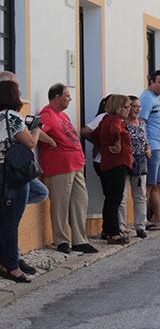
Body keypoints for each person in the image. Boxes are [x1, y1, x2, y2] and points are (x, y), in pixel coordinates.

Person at [39, 83, 97, 254]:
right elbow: (35, 129)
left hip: (75, 164)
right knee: (60, 204)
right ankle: (62, 240)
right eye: (67, 96)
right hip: (59, 166)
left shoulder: (62, 115)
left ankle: (79, 240)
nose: (70, 99)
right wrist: (50, 141)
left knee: (80, 201)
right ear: (57, 98)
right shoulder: (47, 114)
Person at [0, 80, 43, 282]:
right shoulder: (13, 117)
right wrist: (36, 128)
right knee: (10, 222)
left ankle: (6, 261)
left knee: (6, 219)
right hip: (13, 172)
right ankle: (11, 266)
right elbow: (31, 142)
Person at [93, 95, 133, 245]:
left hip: (107, 163)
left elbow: (95, 134)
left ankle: (107, 230)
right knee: (115, 199)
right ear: (117, 106)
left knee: (110, 198)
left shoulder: (105, 119)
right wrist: (117, 143)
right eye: (125, 107)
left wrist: (99, 146)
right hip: (117, 163)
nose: (128, 110)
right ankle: (113, 232)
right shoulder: (116, 120)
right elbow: (116, 131)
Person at [139, 70, 160, 228]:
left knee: (156, 184)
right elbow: (141, 122)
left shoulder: (154, 99)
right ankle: (143, 219)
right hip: (152, 146)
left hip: (158, 146)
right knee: (148, 185)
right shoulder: (146, 98)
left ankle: (158, 218)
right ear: (151, 82)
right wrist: (147, 145)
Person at [120, 96, 149, 239]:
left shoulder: (142, 123)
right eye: (134, 106)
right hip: (126, 160)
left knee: (140, 195)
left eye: (139, 107)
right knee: (123, 196)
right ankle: (121, 226)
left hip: (140, 160)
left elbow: (145, 139)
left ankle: (140, 226)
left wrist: (148, 148)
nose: (137, 109)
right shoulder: (122, 123)